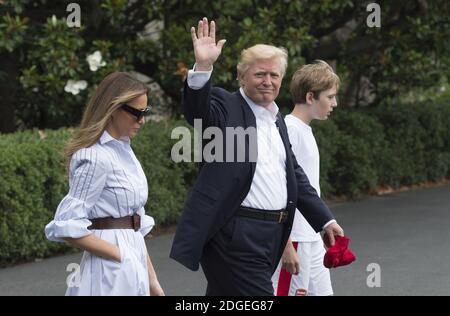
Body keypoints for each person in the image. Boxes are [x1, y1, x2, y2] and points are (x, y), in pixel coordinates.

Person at [170, 18, 344, 296]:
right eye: (260, 74)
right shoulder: (225, 106)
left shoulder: (278, 120)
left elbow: (295, 175)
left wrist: (324, 220)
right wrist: (203, 66)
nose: (267, 81)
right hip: (234, 234)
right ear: (242, 77)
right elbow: (196, 111)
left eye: (274, 76)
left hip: (271, 235)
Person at [45, 72, 164, 296]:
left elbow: (134, 223)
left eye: (145, 112)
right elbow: (67, 223)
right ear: (112, 108)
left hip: (133, 263)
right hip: (108, 272)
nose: (142, 120)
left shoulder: (125, 152)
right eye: (136, 113)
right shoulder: (94, 157)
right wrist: (120, 254)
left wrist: (152, 280)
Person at [272, 60, 340, 296]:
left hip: (311, 238)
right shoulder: (290, 129)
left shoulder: (304, 129)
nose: (334, 103)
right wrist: (286, 243)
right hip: (296, 240)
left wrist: (324, 224)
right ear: (311, 97)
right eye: (330, 97)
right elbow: (280, 189)